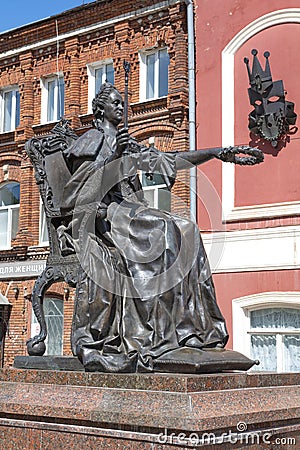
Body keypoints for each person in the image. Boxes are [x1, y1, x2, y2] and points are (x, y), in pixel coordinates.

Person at [59, 82, 237, 373]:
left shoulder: (127, 142)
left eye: (122, 103)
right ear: (100, 108)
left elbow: (170, 160)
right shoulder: (92, 139)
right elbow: (80, 190)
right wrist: (114, 153)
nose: (121, 107)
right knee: (164, 228)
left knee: (188, 229)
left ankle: (190, 330)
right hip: (103, 214)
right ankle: (155, 332)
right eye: (115, 103)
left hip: (131, 210)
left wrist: (217, 153)